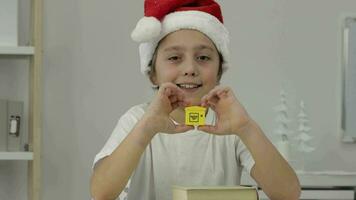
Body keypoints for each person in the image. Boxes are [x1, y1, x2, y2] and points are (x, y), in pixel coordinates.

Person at [90, 0, 301, 200]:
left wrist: (246, 128)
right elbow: (101, 192)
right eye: (174, 58)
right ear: (152, 73)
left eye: (203, 58)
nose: (190, 69)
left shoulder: (231, 126)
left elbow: (288, 193)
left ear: (219, 71)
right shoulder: (137, 120)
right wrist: (144, 130)